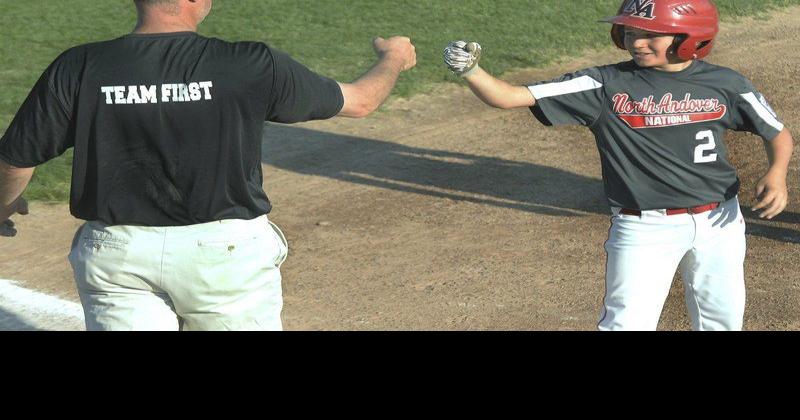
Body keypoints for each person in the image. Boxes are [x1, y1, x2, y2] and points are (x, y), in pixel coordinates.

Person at [0, 0, 416, 331]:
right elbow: (361, 100)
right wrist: (394, 56)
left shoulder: (78, 65)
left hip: (118, 256)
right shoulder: (249, 63)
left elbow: (15, 160)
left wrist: (5, 204)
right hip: (224, 258)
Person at [444, 0, 794, 330]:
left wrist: (777, 173)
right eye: (629, 32)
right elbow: (508, 96)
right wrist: (471, 70)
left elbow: (777, 133)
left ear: (690, 37)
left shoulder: (727, 84)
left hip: (721, 222)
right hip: (645, 229)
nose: (636, 42)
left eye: (649, 34)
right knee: (627, 323)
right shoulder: (604, 85)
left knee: (722, 320)